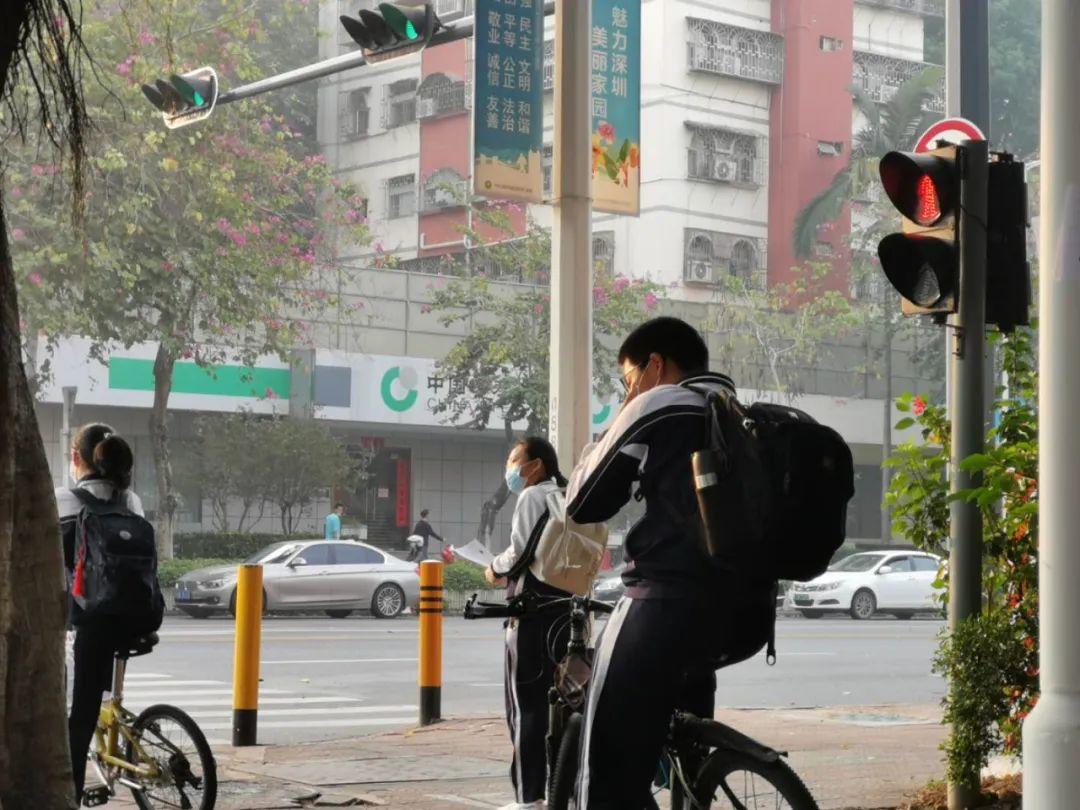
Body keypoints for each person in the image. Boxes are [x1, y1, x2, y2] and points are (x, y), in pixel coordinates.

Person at [566, 317, 771, 809]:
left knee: (606, 769)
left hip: (665, 608)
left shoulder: (660, 403)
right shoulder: (742, 413)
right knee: (687, 750)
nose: (628, 388)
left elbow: (583, 502)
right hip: (745, 614)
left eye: (627, 377)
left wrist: (617, 420)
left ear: (655, 364)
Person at [59, 423, 145, 803]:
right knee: (102, 695)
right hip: (140, 617)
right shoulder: (131, 502)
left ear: (77, 458)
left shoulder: (64, 500)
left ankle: (71, 796)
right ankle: (117, 748)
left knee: (81, 715)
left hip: (92, 620)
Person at [484, 437, 571, 810]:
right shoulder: (565, 495)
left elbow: (520, 553)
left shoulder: (532, 497)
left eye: (513, 459)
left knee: (526, 706)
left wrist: (492, 569)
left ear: (535, 465)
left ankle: (528, 798)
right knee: (560, 706)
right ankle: (560, 792)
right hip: (564, 611)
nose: (510, 468)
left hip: (531, 612)